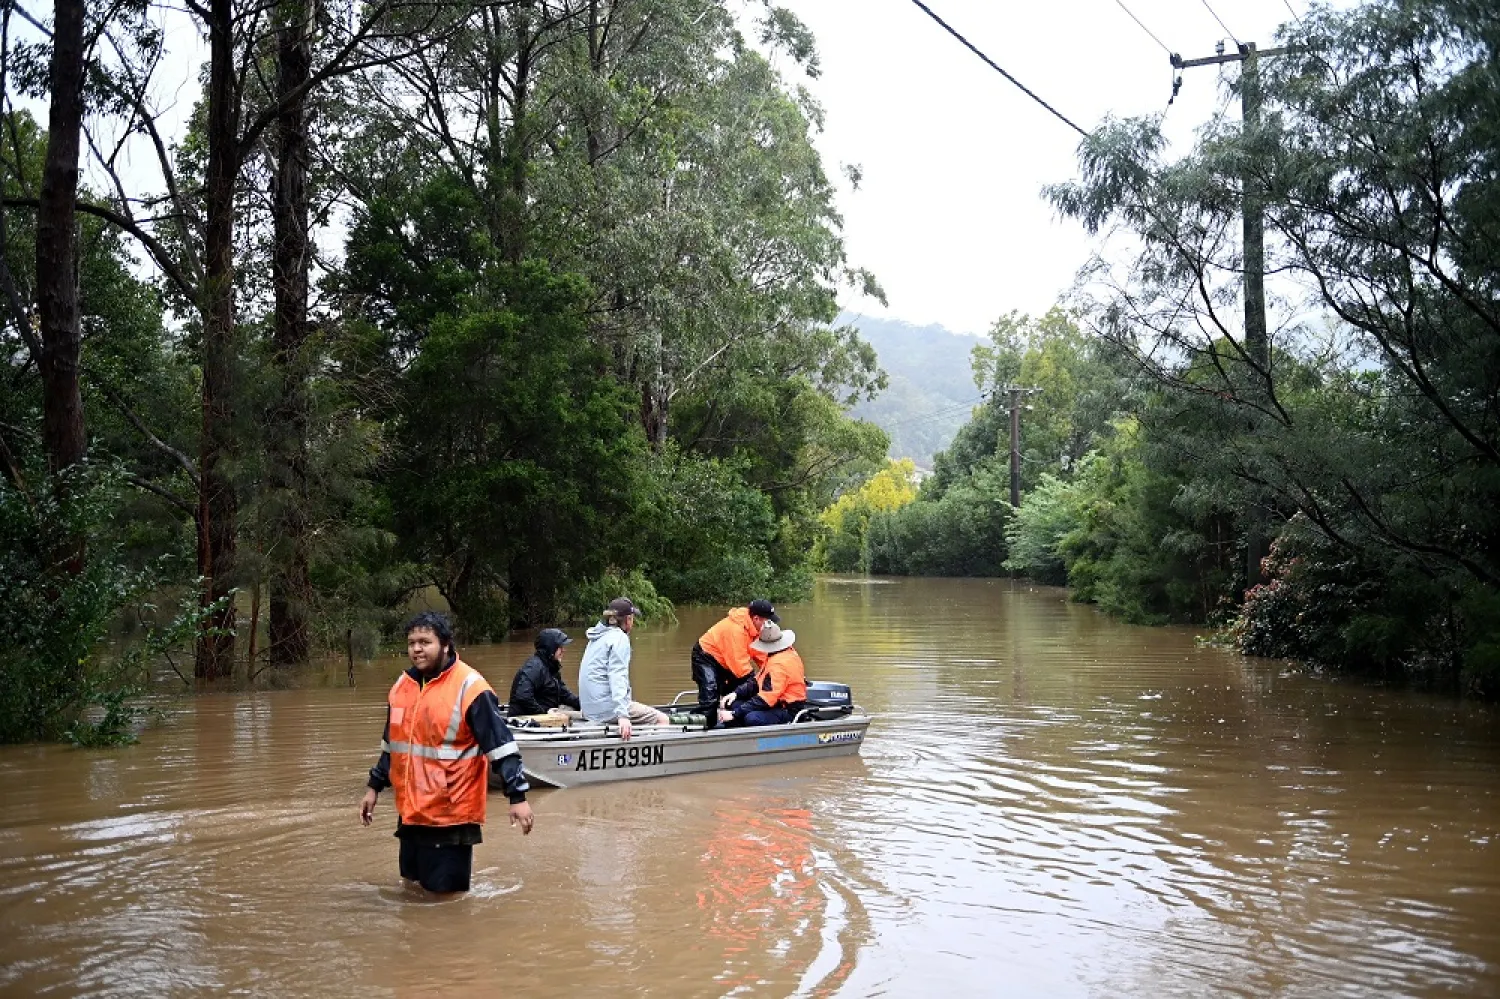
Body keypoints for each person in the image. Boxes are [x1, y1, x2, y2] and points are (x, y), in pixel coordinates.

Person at [359, 611, 534, 895]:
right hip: (411, 814)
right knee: (411, 891)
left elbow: (501, 747)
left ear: (446, 645)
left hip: (450, 817)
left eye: (425, 641)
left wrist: (518, 797)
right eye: (412, 642)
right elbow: (392, 745)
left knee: (447, 906)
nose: (416, 649)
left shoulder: (471, 688)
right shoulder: (401, 688)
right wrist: (374, 787)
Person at [578, 596, 669, 740]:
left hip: (589, 709)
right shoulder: (619, 638)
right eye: (632, 618)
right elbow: (617, 676)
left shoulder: (596, 637)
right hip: (607, 709)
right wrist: (622, 715)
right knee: (662, 719)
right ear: (627, 620)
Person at [692, 598, 778, 729]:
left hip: (727, 661)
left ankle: (734, 724)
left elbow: (761, 655)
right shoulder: (736, 631)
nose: (770, 625)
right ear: (756, 619)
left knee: (737, 696)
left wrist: (774, 671)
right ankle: (700, 728)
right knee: (710, 695)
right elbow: (741, 668)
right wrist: (757, 684)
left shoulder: (754, 629)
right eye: (768, 621)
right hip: (705, 656)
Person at [720, 621, 807, 727]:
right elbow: (757, 681)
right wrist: (736, 693)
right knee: (734, 703)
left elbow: (766, 699)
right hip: (776, 704)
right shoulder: (781, 654)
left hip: (788, 710)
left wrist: (735, 714)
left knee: (752, 718)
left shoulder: (779, 664)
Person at [508, 627, 582, 719]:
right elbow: (523, 696)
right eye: (560, 647)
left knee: (574, 709)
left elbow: (564, 695)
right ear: (550, 648)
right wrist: (544, 713)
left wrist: (584, 705)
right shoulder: (534, 667)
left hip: (545, 714)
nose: (563, 650)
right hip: (524, 719)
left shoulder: (551, 667)